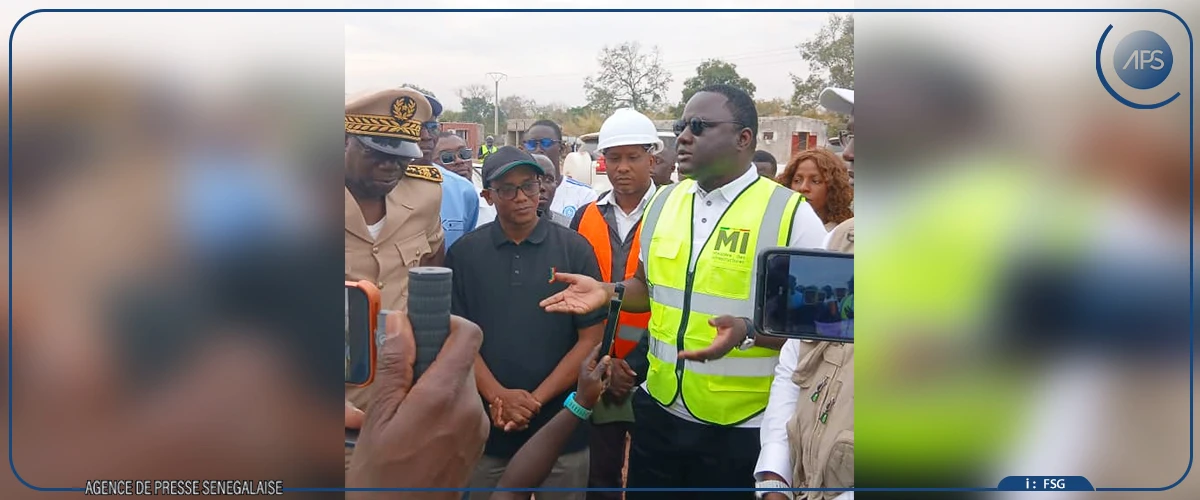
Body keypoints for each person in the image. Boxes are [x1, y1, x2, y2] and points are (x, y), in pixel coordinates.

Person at [539, 84, 827, 499]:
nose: (684, 137)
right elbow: (647, 287)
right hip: (659, 413)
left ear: (744, 138)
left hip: (743, 426)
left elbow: (820, 327)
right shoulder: (664, 203)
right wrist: (607, 290)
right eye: (681, 127)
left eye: (699, 126)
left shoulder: (791, 215)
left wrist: (747, 331)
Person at [446, 146, 607, 500]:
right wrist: (499, 397)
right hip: (487, 429)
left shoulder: (574, 249)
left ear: (542, 188)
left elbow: (590, 340)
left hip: (562, 427)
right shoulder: (464, 254)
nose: (521, 197)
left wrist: (533, 401)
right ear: (488, 196)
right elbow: (456, 339)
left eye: (529, 185)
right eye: (507, 189)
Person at [754, 87, 856, 500]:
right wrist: (774, 473)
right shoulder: (842, 242)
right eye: (851, 134)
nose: (849, 153)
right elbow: (797, 362)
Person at [343, 87, 447, 468]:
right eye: (377, 153)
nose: (391, 166)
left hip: (400, 397)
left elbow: (432, 265)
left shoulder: (424, 194)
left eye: (401, 156)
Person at [567, 108, 660, 499]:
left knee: (652, 478)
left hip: (657, 370)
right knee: (600, 479)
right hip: (597, 367)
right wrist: (605, 363)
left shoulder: (674, 213)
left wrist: (633, 367)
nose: (622, 167)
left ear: (652, 159)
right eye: (614, 158)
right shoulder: (585, 216)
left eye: (633, 157)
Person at [522, 119, 598, 221]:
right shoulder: (517, 195)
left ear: (561, 149)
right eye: (532, 144)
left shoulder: (585, 195)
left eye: (546, 143)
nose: (538, 149)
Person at [775, 148, 854, 231]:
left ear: (833, 188)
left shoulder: (845, 233)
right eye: (797, 180)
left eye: (815, 181)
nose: (803, 188)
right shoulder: (777, 227)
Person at [432, 131, 482, 247]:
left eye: (464, 154)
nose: (459, 161)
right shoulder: (426, 206)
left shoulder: (492, 203)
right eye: (447, 157)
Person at [533, 153, 574, 227]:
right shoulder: (511, 228)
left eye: (548, 180)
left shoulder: (570, 226)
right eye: (534, 180)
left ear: (556, 184)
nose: (541, 187)